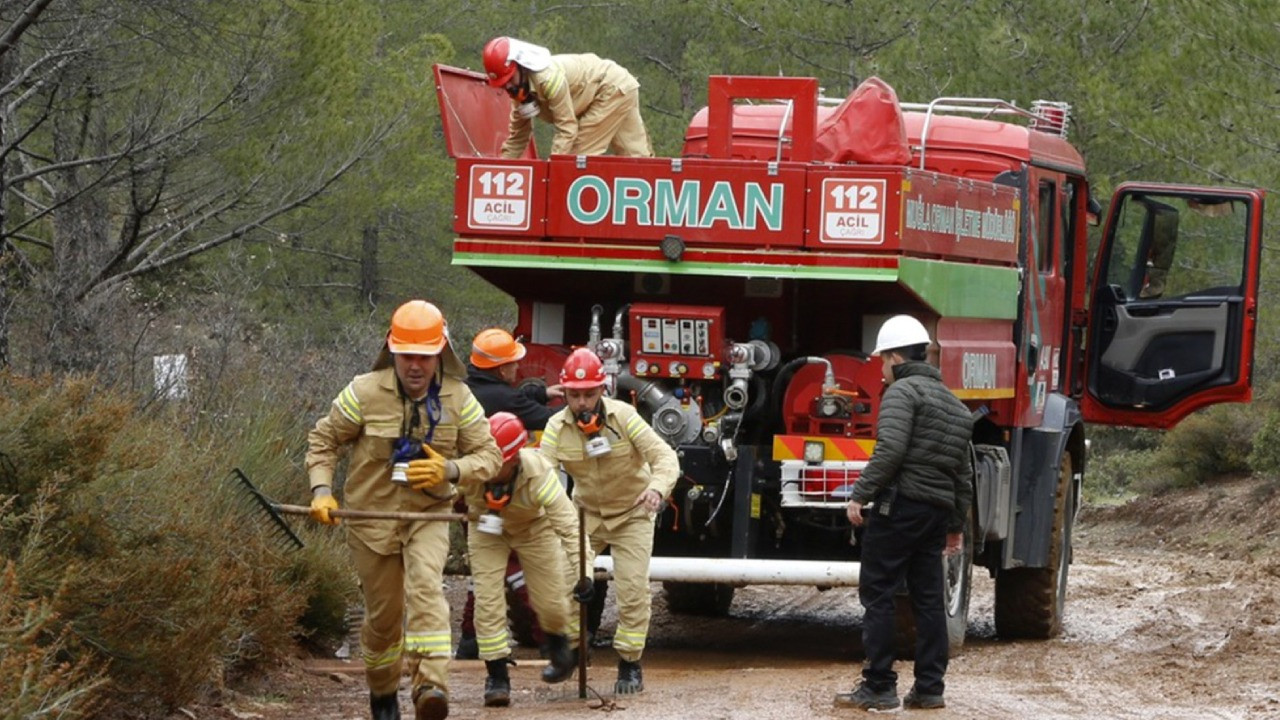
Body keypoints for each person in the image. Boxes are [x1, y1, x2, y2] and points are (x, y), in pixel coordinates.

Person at [306, 300, 503, 720]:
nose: (415, 366)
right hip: (369, 522)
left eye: (425, 357)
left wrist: (451, 468)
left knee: (427, 590)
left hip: (428, 517)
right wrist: (322, 490)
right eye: (407, 356)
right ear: (392, 352)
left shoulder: (459, 398)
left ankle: (431, 687)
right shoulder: (363, 392)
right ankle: (382, 696)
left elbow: (490, 456)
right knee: (383, 619)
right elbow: (324, 441)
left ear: (440, 355)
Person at [836, 315, 974, 711]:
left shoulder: (901, 392)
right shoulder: (951, 402)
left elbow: (890, 451)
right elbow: (962, 474)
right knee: (928, 600)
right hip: (934, 512)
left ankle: (879, 686)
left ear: (895, 357)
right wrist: (954, 525)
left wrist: (859, 495)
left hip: (899, 508)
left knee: (878, 593)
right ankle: (930, 688)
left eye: (882, 360)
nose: (881, 368)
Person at [539, 347, 679, 694]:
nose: (583, 402)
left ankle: (629, 663)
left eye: (590, 394)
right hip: (585, 514)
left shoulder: (625, 416)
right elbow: (541, 475)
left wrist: (657, 490)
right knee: (565, 583)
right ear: (564, 393)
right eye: (575, 395)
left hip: (633, 513)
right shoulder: (556, 427)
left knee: (632, 590)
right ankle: (571, 652)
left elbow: (664, 457)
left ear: (603, 390)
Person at [462, 412, 594, 707]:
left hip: (535, 528)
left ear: (514, 460)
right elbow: (440, 492)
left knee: (550, 598)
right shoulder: (472, 468)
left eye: (498, 463)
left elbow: (569, 527)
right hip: (486, 528)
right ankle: (496, 674)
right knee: (487, 599)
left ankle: (563, 651)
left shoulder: (539, 474)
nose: (490, 468)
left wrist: (585, 573)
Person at [455, 328, 566, 660]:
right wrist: (580, 405)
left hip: (466, 492)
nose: (518, 368)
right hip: (493, 494)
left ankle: (470, 639)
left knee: (487, 564)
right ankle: (547, 636)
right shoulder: (504, 399)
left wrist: (541, 393)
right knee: (517, 564)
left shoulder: (464, 391)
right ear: (501, 369)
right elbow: (547, 421)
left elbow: (516, 400)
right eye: (514, 363)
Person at [482, 36, 653, 159]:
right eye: (502, 84)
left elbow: (567, 128)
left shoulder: (548, 80)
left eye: (509, 79)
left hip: (611, 89)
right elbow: (518, 137)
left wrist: (553, 168)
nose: (508, 87)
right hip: (619, 86)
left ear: (520, 67)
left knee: (577, 159)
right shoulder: (519, 94)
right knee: (637, 159)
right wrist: (500, 170)